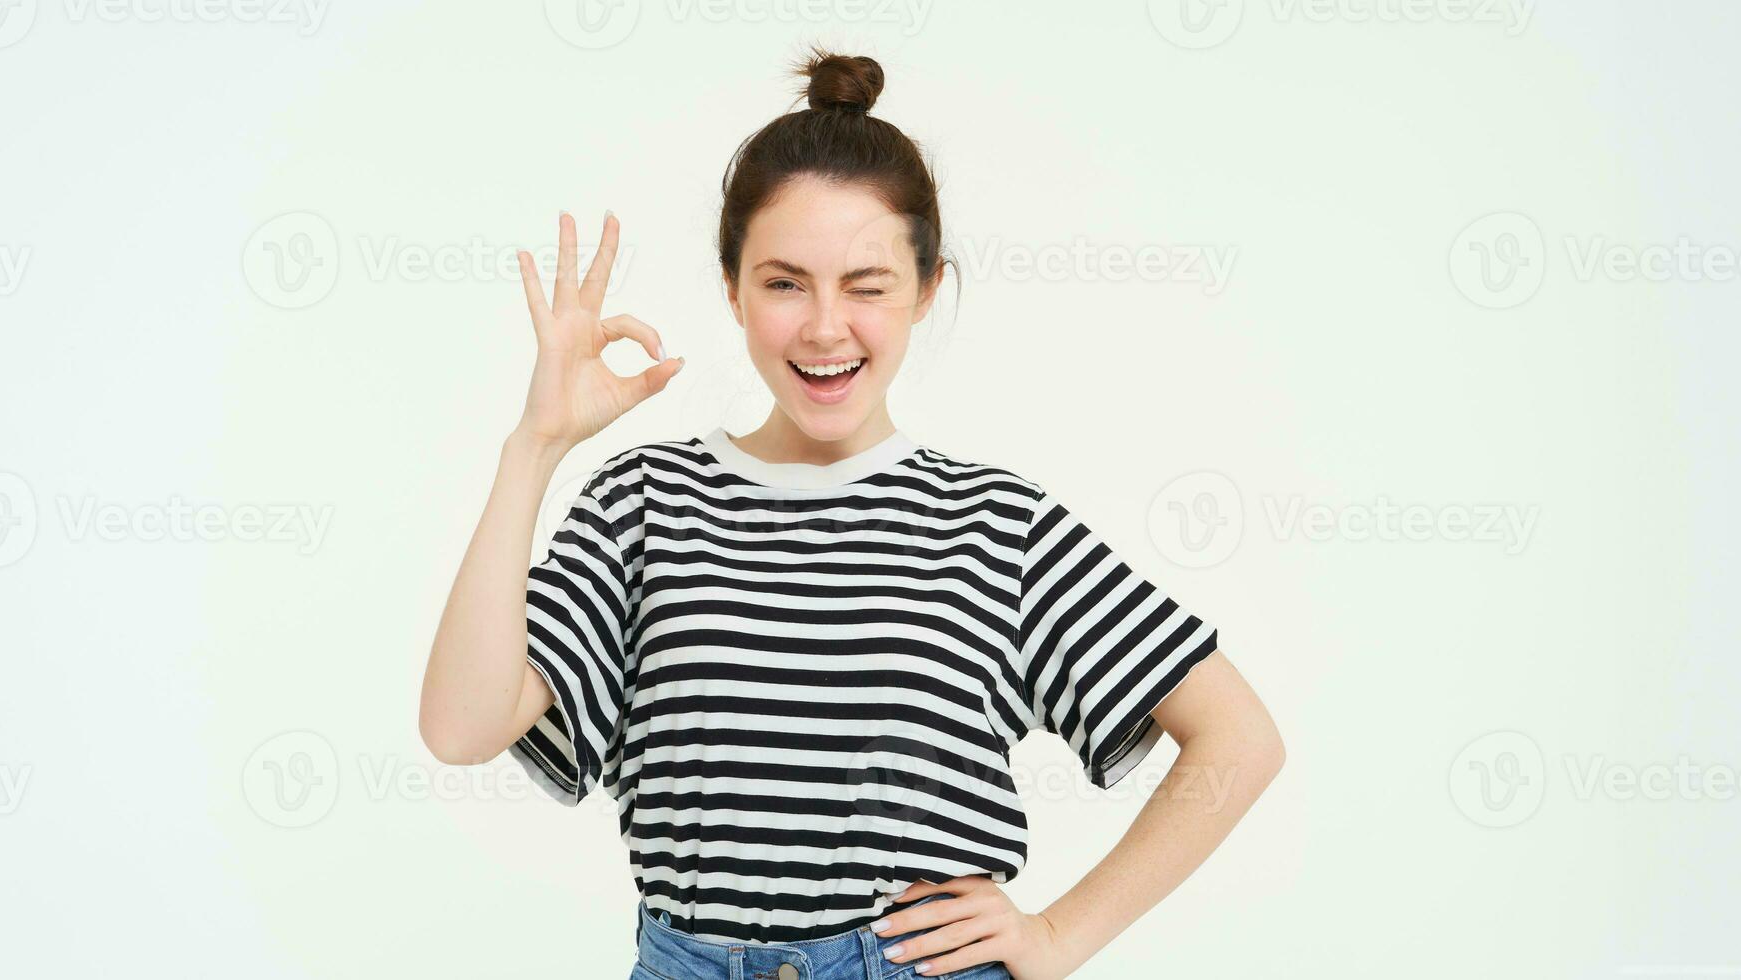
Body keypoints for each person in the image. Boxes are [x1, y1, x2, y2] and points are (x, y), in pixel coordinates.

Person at [419, 47, 1285, 980]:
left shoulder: (995, 525)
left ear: (925, 292)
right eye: (784, 282)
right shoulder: (642, 503)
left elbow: (1239, 736)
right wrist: (534, 448)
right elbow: (462, 728)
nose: (826, 326)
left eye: (867, 286)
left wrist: (1059, 935)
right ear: (733, 290)